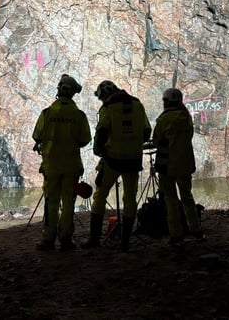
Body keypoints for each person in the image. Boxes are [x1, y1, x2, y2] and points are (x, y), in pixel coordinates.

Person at [82, 80, 151, 251]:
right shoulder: (137, 105)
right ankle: (125, 243)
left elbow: (102, 131)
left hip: (112, 160)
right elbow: (146, 131)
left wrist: (99, 150)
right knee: (130, 199)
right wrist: (133, 145)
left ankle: (94, 239)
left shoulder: (108, 108)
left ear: (104, 95)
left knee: (99, 196)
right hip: (133, 161)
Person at [32, 74, 93, 251]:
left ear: (59, 90)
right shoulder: (79, 116)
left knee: (51, 201)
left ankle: (48, 240)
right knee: (68, 203)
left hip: (51, 165)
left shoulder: (47, 113)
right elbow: (84, 140)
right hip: (71, 166)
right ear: (73, 94)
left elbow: (37, 136)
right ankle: (66, 239)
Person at [152, 88, 203, 246]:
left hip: (167, 166)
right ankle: (196, 230)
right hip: (185, 164)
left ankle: (176, 234)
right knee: (187, 197)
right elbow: (190, 136)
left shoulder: (164, 119)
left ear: (166, 101)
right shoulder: (186, 117)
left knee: (170, 200)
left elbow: (155, 141)